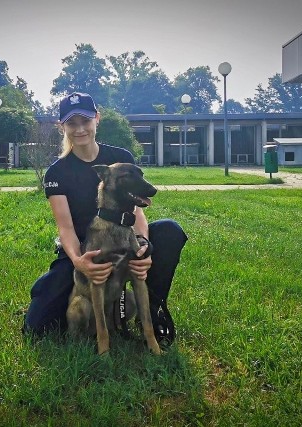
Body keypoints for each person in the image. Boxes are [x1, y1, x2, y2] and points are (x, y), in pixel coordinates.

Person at [23, 92, 187, 346]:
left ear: (97, 119)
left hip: (123, 239)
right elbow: (65, 228)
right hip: (82, 250)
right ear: (62, 126)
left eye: (85, 121)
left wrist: (143, 246)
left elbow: (138, 212)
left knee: (169, 231)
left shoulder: (119, 158)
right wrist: (80, 262)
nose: (80, 129)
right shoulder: (57, 172)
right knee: (37, 327)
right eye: (72, 123)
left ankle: (152, 312)